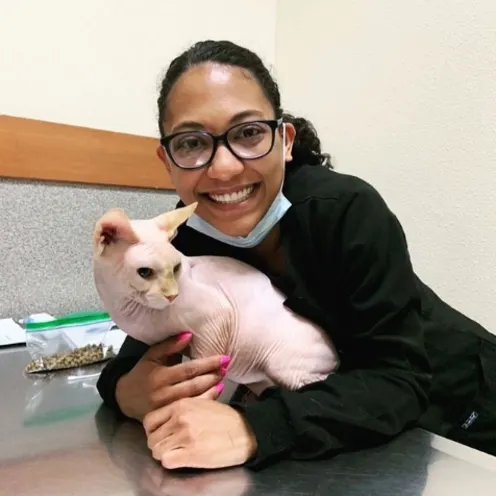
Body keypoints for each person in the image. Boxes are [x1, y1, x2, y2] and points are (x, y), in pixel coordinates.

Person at [97, 39, 496, 471]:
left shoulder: (347, 212)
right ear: (167, 160)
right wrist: (125, 388)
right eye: (192, 143)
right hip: (353, 437)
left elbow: (398, 381)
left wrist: (252, 428)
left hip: (461, 412)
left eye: (248, 133)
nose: (224, 168)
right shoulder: (182, 235)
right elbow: (147, 338)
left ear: (284, 140)